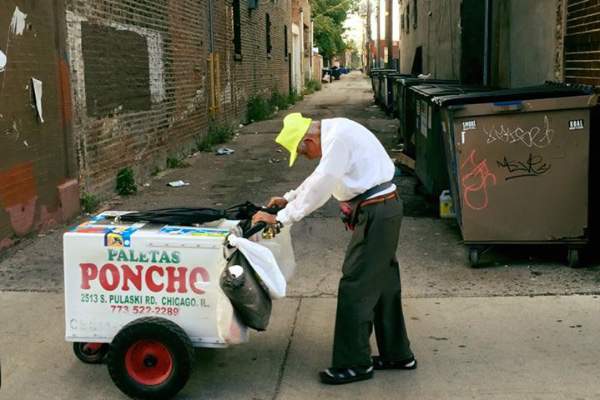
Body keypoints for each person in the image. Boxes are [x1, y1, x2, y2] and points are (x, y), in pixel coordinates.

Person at [252, 113, 416, 385]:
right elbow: (320, 176)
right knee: (384, 284)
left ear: (309, 139)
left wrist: (281, 218)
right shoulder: (335, 132)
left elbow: (323, 183)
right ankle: (398, 355)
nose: (309, 158)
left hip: (377, 212)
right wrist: (289, 198)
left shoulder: (337, 138)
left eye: (304, 153)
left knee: (355, 285)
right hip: (382, 209)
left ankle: (354, 364)